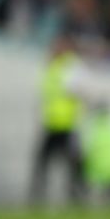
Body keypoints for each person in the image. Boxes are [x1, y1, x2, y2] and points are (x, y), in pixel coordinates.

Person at [29, 34, 88, 205]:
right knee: (42, 163)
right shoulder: (51, 66)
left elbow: (80, 90)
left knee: (73, 166)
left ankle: (77, 199)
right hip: (51, 124)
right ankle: (37, 198)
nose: (56, 49)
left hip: (68, 125)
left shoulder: (72, 67)